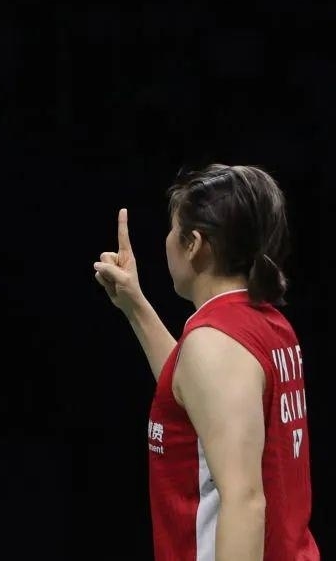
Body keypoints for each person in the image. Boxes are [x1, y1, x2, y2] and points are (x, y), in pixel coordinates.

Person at [93, 163, 319, 560]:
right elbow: (194, 395)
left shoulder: (216, 344)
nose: (166, 241)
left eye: (172, 229)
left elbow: (245, 501)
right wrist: (135, 305)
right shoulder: (264, 324)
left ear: (194, 244)